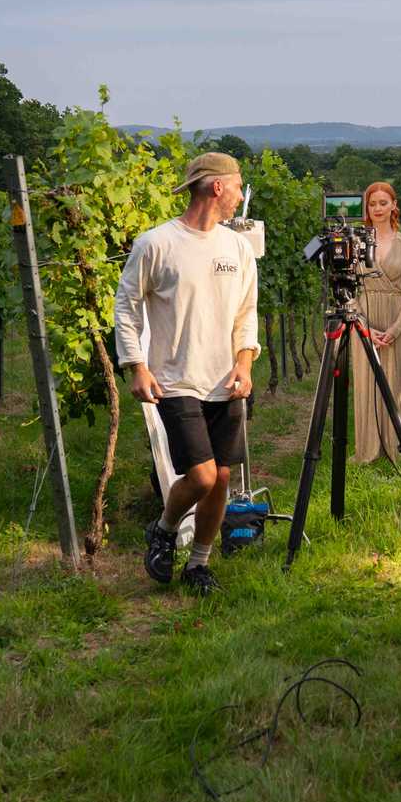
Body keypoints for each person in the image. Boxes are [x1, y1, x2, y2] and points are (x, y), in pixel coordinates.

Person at [114, 151, 259, 596]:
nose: (239, 195)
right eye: (236, 186)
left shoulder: (237, 247)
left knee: (224, 477)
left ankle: (198, 563)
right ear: (216, 187)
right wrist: (136, 365)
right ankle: (163, 529)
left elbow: (247, 312)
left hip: (225, 381)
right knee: (202, 476)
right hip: (175, 380)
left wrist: (244, 362)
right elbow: (126, 305)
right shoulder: (156, 243)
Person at [350, 181, 401, 464]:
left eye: (383, 202)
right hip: (363, 319)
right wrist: (364, 327)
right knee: (366, 383)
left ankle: (394, 448)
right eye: (372, 203)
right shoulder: (355, 242)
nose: (378, 208)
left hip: (396, 319)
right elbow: (348, 289)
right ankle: (367, 450)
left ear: (394, 205)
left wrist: (395, 329)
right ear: (366, 207)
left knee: (396, 382)